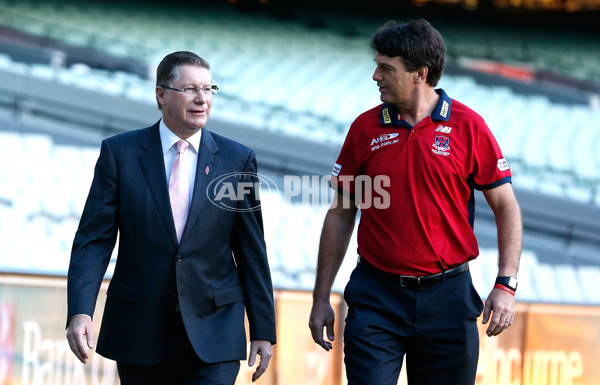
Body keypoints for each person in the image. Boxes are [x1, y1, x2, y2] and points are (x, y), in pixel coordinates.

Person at [309, 19, 522, 385]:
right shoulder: (364, 129)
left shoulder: (469, 126)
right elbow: (341, 214)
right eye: (376, 65)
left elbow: (507, 207)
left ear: (420, 73)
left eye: (386, 68)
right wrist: (320, 296)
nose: (376, 76)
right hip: (376, 298)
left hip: (449, 300)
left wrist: (506, 284)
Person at [66, 51, 276, 385]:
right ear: (161, 95)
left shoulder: (237, 160)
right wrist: (80, 311)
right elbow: (94, 239)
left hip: (215, 332)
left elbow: (251, 248)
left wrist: (263, 329)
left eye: (209, 89)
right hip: (140, 331)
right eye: (190, 89)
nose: (202, 99)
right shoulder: (120, 153)